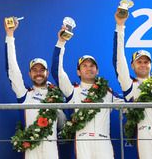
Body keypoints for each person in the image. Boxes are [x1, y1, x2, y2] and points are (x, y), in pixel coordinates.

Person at [113, 10, 152, 159]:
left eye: (146, 62)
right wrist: (120, 26)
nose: (143, 65)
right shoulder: (129, 85)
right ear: (132, 66)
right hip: (144, 137)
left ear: (151, 65)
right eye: (139, 62)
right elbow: (118, 60)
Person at [51, 26, 121, 159]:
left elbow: (127, 105)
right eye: (84, 66)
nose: (89, 69)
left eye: (92, 66)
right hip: (82, 141)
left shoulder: (108, 92)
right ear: (78, 71)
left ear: (97, 70)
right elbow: (56, 71)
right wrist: (61, 42)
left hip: (104, 141)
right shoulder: (72, 90)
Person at [4, 19, 62, 159]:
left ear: (47, 73)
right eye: (34, 70)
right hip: (31, 148)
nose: (38, 73)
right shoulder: (24, 94)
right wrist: (10, 35)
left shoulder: (56, 95)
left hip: (51, 148)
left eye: (42, 70)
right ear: (29, 74)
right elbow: (12, 69)